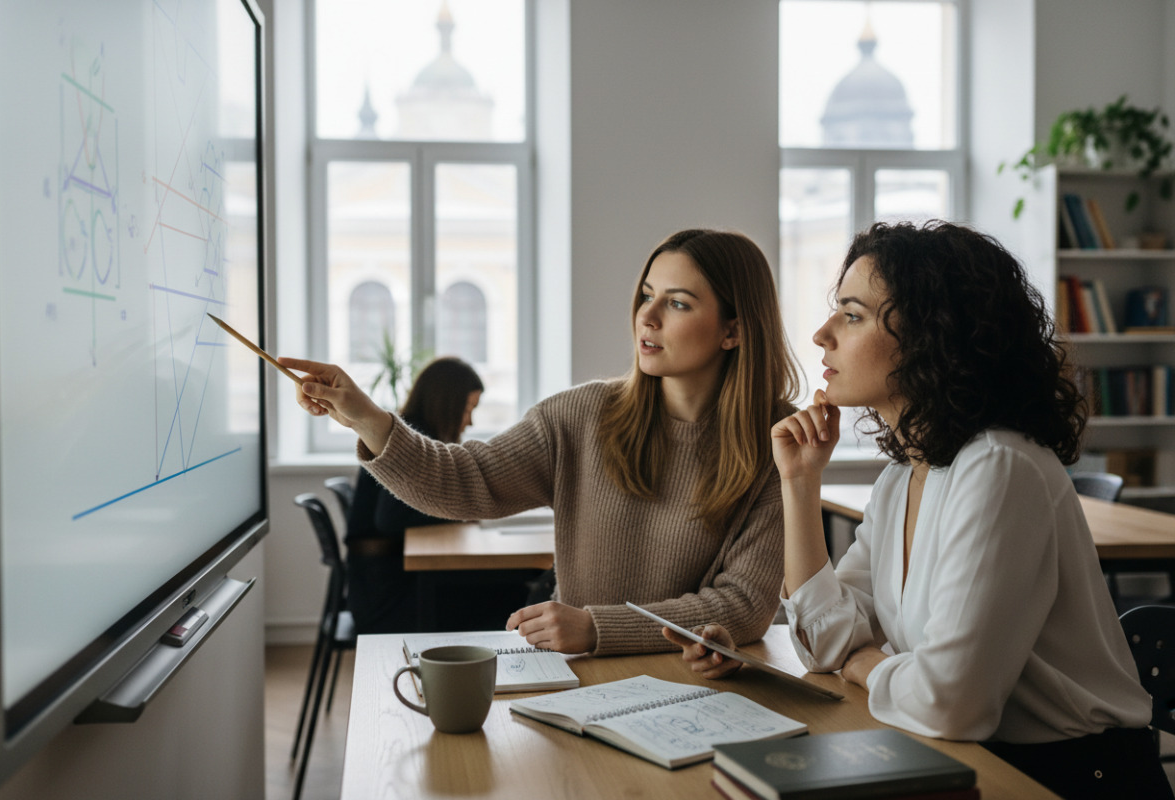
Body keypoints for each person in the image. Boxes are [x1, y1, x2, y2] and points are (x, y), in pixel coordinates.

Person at [666, 221, 1171, 799]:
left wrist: (863, 664)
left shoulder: (999, 467)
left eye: (852, 316)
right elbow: (825, 643)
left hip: (1075, 780)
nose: (821, 334)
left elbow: (951, 703)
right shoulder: (903, 475)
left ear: (931, 336)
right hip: (972, 760)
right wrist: (800, 483)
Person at [280, 228, 800, 656]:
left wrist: (598, 627)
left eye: (678, 303)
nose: (648, 315)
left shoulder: (776, 443)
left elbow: (745, 605)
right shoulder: (581, 416)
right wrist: (365, 418)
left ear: (733, 330)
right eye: (646, 295)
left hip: (700, 691)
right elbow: (464, 481)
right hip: (583, 681)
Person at [344, 356, 485, 634]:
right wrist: (459, 512)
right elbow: (391, 519)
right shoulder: (409, 442)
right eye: (468, 408)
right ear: (447, 403)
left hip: (380, 583)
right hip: (389, 595)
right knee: (513, 590)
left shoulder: (405, 433)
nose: (469, 421)